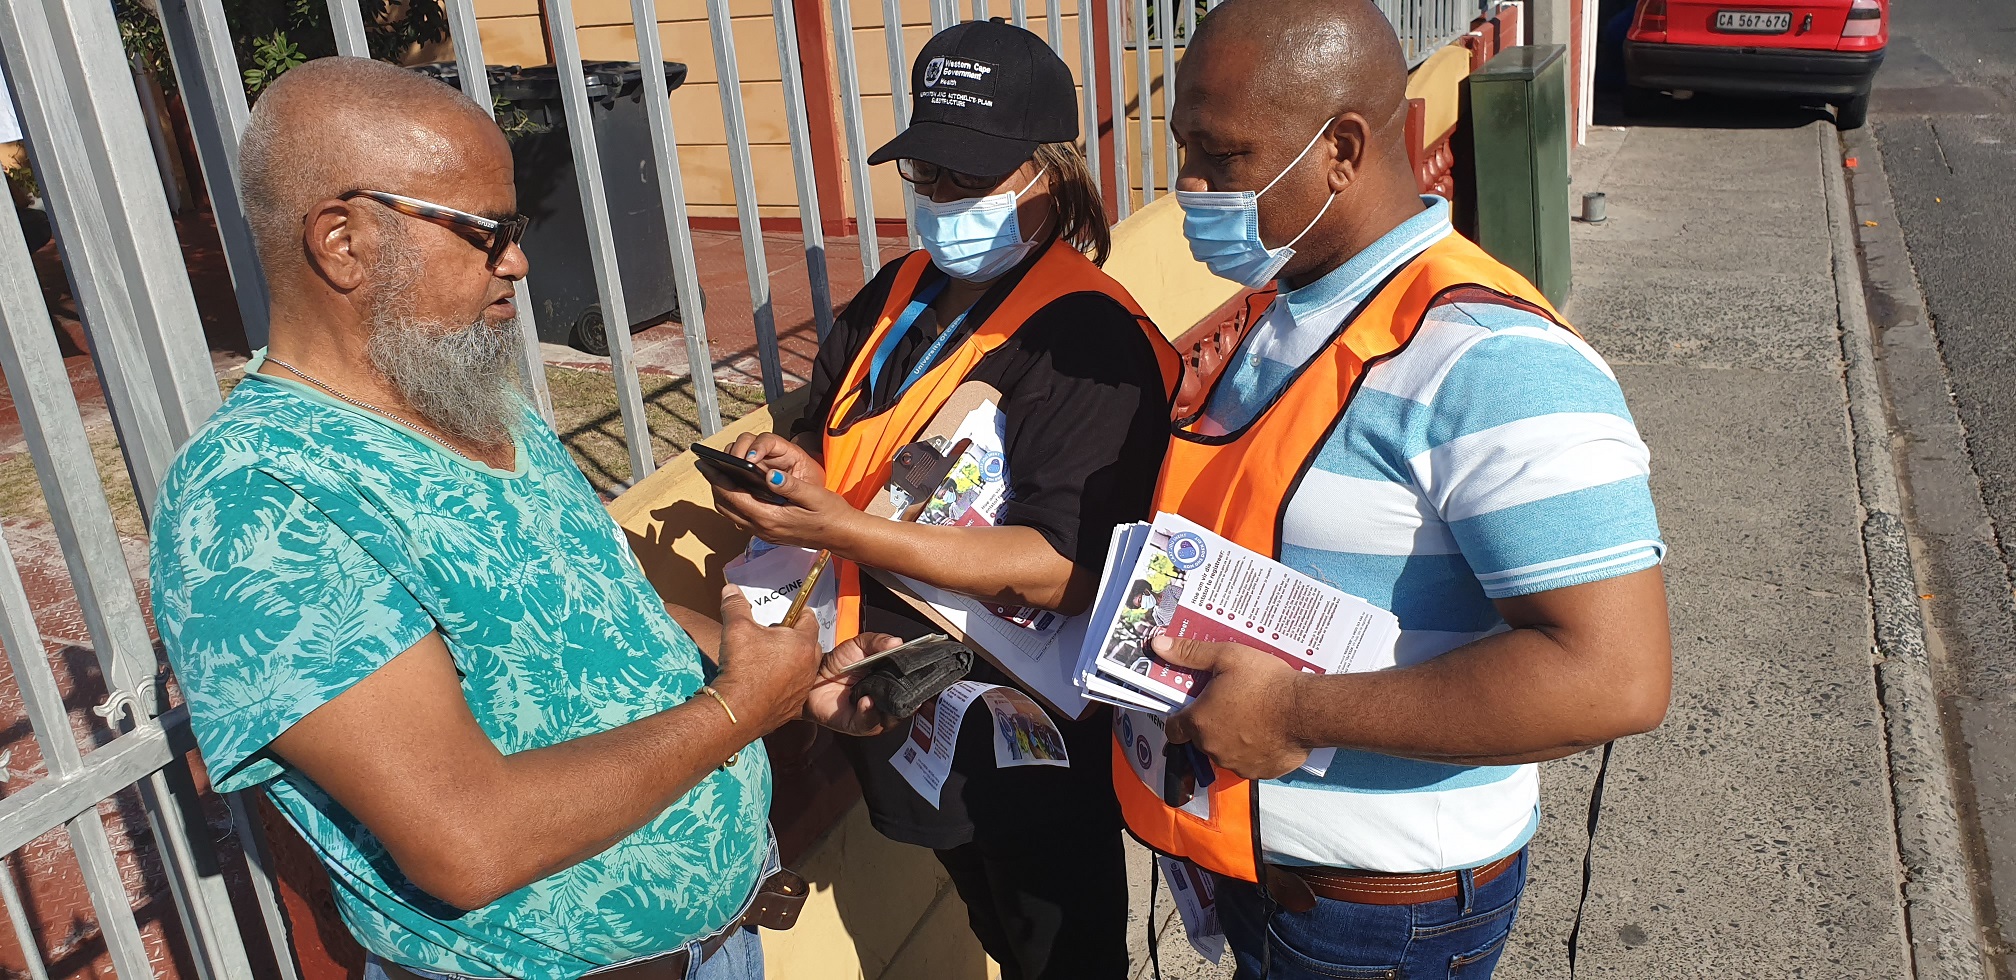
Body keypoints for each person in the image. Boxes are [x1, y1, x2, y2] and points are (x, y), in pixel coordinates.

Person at [148, 57, 894, 980]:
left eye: (518, 227)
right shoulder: (259, 496)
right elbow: (467, 840)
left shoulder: (477, 403)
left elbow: (607, 620)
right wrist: (741, 708)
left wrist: (792, 673)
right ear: (341, 242)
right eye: (484, 232)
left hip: (723, 944)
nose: (519, 260)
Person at [1119, 1, 1676, 977]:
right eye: (1182, 150)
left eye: (1225, 155)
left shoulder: (1493, 362)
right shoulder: (1294, 304)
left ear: (1341, 148)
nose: (1191, 188)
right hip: (1252, 863)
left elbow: (1614, 676)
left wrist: (1296, 712)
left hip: (1375, 921)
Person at [707, 19, 1180, 980]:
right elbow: (829, 420)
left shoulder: (1089, 342)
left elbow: (1064, 565)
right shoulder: (904, 290)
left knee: (1062, 944)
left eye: (973, 179)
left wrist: (849, 528)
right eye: (930, 178)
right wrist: (785, 461)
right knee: (992, 923)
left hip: (1025, 722)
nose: (945, 202)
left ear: (1050, 175)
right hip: (894, 692)